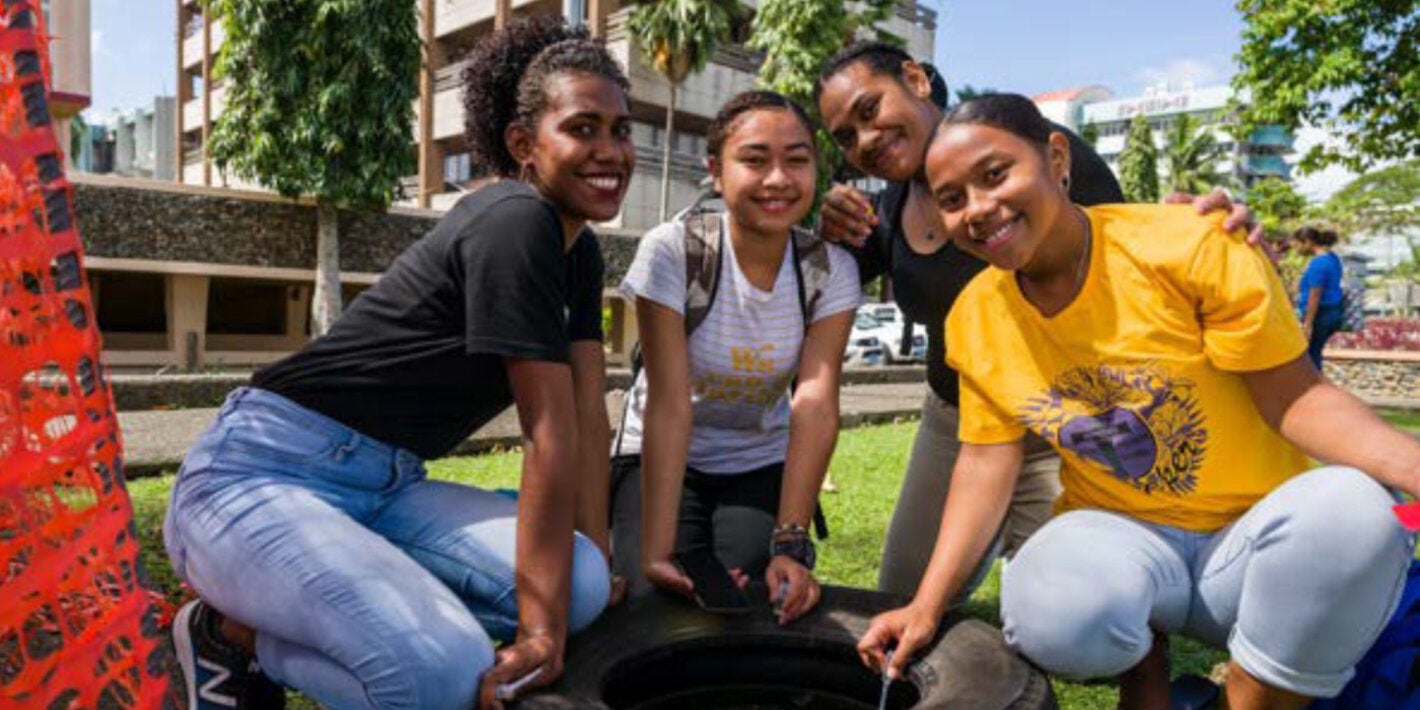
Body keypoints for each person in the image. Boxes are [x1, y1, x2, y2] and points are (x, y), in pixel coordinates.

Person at [857, 94, 1418, 710]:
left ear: (1057, 158)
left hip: (1250, 549)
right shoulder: (976, 317)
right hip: (1124, 543)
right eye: (952, 199)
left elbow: (1299, 400)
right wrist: (926, 605)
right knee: (1045, 606)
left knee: (1358, 509)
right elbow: (986, 462)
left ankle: (1246, 694)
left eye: (995, 174)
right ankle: (1146, 675)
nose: (979, 209)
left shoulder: (1188, 244)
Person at [164, 17, 631, 710]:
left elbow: (588, 417)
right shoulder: (514, 220)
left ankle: (341, 614)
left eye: (621, 130)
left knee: (582, 582)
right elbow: (548, 433)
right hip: (256, 476)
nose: (610, 150)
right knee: (443, 676)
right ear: (522, 145)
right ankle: (228, 636)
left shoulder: (579, 251)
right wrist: (540, 630)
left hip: (387, 488)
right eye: (582, 128)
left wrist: (594, 566)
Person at [812, 41, 1257, 600]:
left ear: (916, 80)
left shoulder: (1033, 149)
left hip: (1060, 417)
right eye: (846, 137)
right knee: (902, 595)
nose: (865, 140)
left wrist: (1204, 227)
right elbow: (818, 288)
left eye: (869, 109)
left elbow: (1124, 250)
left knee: (1084, 605)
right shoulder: (885, 211)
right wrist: (828, 232)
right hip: (957, 417)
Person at [610, 91, 861, 623]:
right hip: (658, 454)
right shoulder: (673, 250)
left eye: (797, 160)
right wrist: (655, 551)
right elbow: (669, 403)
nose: (778, 179)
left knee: (743, 594)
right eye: (754, 160)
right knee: (654, 598)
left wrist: (790, 544)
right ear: (716, 172)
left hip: (757, 459)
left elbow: (815, 402)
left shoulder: (829, 269)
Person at [1294, 226, 1345, 368]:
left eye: (1297, 244)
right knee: (1313, 353)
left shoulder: (1319, 264)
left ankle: (1314, 381)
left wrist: (1308, 324)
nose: (1296, 249)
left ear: (1308, 242)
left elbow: (1315, 294)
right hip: (1332, 311)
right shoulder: (1332, 258)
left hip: (1320, 314)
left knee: (1310, 356)